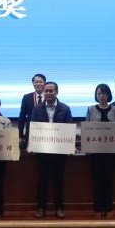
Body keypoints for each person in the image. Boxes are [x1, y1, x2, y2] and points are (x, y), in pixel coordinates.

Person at [31, 81, 73, 219]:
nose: (48, 93)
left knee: (58, 180)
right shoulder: (37, 109)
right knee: (41, 180)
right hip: (42, 151)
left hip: (59, 152)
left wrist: (69, 145)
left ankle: (59, 208)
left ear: (57, 92)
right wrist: (32, 144)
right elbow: (33, 127)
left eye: (51, 91)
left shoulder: (65, 109)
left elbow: (69, 128)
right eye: (46, 91)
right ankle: (41, 208)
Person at [86, 83, 115, 218]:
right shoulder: (90, 109)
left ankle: (108, 208)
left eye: (104, 93)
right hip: (95, 152)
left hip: (110, 152)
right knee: (97, 180)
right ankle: (98, 209)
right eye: (99, 93)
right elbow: (87, 129)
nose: (101, 96)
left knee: (108, 180)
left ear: (108, 95)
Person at [18, 73, 46, 147]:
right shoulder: (26, 97)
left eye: (40, 82)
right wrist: (20, 135)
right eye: (36, 82)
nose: (38, 84)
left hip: (47, 132)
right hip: (31, 132)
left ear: (45, 83)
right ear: (33, 83)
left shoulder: (50, 96)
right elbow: (22, 117)